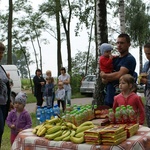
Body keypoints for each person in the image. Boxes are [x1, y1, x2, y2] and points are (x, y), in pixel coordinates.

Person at [100, 33, 136, 108]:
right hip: (110, 98)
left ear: (129, 44)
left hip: (125, 99)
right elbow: (104, 78)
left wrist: (105, 76)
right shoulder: (114, 59)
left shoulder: (129, 59)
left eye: (122, 43)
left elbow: (119, 75)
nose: (119, 45)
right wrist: (104, 77)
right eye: (118, 43)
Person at [0, 42, 11, 147]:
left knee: (1, 130)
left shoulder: (1, 67)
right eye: (0, 52)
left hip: (3, 103)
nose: (1, 54)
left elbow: (6, 83)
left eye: (2, 52)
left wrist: (9, 101)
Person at [139, 43, 150, 127]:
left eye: (149, 53)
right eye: (146, 53)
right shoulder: (147, 64)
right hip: (148, 100)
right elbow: (142, 76)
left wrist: (147, 81)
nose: (147, 56)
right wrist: (141, 79)